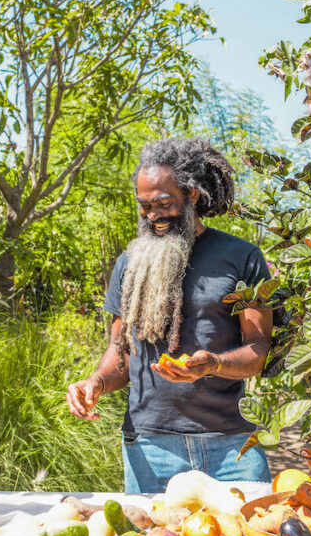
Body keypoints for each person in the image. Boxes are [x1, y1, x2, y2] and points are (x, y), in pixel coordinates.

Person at [66, 138, 273, 492]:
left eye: (163, 203)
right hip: (150, 445)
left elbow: (258, 350)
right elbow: (121, 350)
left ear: (191, 195)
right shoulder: (129, 264)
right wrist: (96, 382)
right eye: (143, 206)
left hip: (231, 444)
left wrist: (214, 365)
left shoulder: (242, 258)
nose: (152, 216)